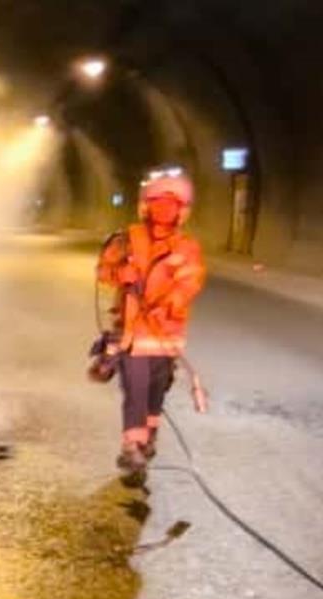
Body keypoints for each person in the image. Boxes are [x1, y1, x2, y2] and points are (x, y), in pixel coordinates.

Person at [96, 168, 206, 472]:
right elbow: (103, 272)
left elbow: (191, 282)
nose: (163, 209)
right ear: (146, 206)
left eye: (171, 204)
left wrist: (169, 304)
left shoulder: (187, 248)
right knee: (135, 386)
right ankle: (131, 445)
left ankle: (149, 435)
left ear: (181, 211)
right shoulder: (128, 240)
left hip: (165, 334)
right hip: (132, 332)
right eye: (157, 202)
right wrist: (121, 274)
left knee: (156, 389)